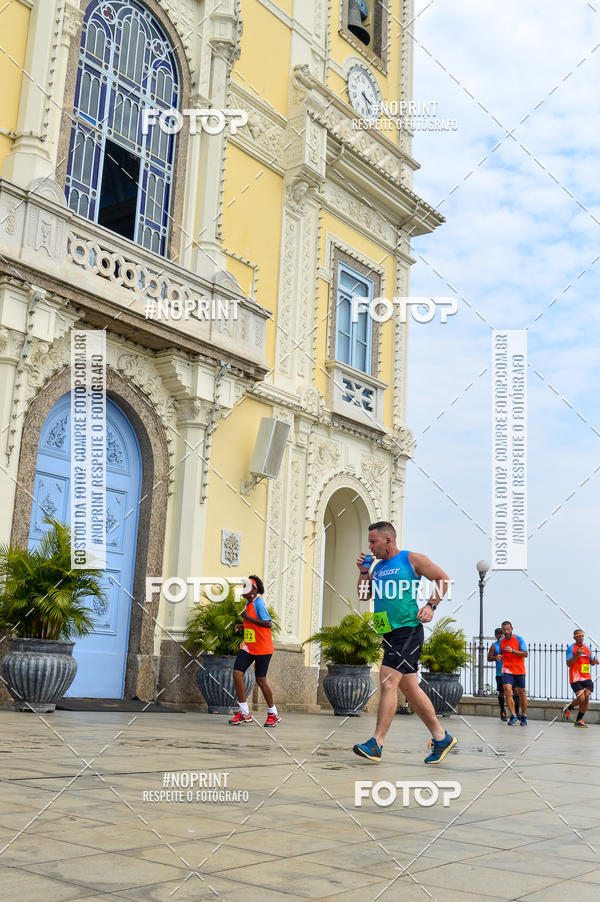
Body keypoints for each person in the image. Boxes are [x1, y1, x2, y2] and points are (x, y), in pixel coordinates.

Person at [352, 521, 457, 765]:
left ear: (388, 540)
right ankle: (441, 738)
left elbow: (443, 579)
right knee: (409, 688)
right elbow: (364, 595)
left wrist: (431, 606)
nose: (370, 546)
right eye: (369, 542)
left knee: (388, 682)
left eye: (373, 542)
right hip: (387, 633)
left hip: (408, 630)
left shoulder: (412, 559)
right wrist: (363, 572)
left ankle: (376, 743)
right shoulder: (376, 567)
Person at [228, 575, 280, 727]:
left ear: (254, 590)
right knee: (237, 673)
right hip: (249, 645)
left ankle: (273, 713)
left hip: (263, 648)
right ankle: (244, 712)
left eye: (247, 587)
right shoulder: (247, 602)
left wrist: (248, 619)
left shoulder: (258, 603)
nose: (243, 589)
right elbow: (253, 624)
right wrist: (242, 625)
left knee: (261, 680)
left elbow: (268, 624)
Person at [493, 621, 528, 726]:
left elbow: (525, 654)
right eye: (504, 630)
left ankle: (524, 715)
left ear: (512, 629)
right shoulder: (501, 641)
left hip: (519, 670)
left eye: (508, 629)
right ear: (502, 630)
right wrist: (499, 656)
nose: (506, 631)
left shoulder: (519, 639)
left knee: (521, 692)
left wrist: (513, 651)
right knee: (507, 690)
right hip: (507, 670)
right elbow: (500, 653)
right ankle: (513, 715)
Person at [562, 629, 598, 728]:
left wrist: (595, 661)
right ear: (574, 637)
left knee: (586, 698)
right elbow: (569, 664)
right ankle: (568, 708)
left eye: (582, 635)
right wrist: (577, 654)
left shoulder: (587, 649)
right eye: (578, 636)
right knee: (581, 698)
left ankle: (579, 720)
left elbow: (592, 661)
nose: (580, 637)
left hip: (587, 678)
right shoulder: (571, 649)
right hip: (576, 678)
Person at [488, 627, 519, 721]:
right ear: (496, 635)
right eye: (499, 634)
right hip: (500, 673)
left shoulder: (509, 643)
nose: (501, 635)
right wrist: (495, 657)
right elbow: (489, 658)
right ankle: (502, 711)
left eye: (502, 633)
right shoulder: (495, 646)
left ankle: (517, 712)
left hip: (512, 671)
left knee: (516, 691)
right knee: (502, 693)